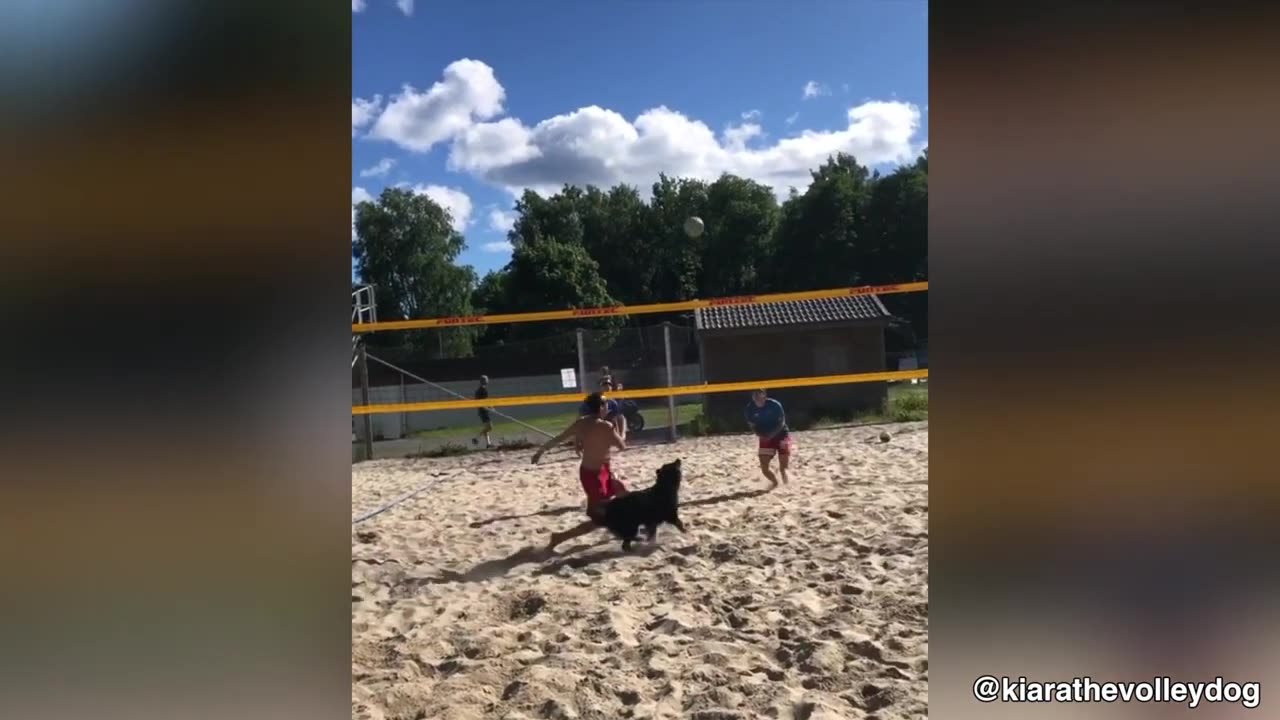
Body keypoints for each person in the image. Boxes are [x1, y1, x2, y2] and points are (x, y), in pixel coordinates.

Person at [533, 392, 628, 550]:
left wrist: (540, 451)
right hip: (596, 476)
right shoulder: (606, 426)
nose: (607, 406)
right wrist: (621, 427)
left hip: (590, 472)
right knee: (599, 519)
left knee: (622, 491)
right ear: (600, 407)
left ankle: (630, 527)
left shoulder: (581, 423)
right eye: (605, 404)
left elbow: (559, 438)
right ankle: (559, 537)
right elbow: (622, 446)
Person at [745, 389, 791, 487]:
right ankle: (775, 484)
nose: (758, 397)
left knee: (783, 467)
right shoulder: (750, 408)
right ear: (753, 397)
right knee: (764, 469)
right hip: (765, 436)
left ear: (764, 395)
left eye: (760, 395)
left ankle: (787, 484)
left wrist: (772, 434)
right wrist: (761, 435)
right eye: (755, 395)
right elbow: (752, 426)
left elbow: (782, 422)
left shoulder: (774, 405)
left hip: (781, 434)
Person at [474, 375, 493, 449]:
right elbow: (485, 401)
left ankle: (488, 444)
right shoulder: (483, 390)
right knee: (490, 427)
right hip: (484, 411)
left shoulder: (478, 390)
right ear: (484, 381)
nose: (488, 381)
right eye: (487, 380)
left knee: (486, 428)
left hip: (481, 411)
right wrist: (490, 407)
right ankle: (477, 438)